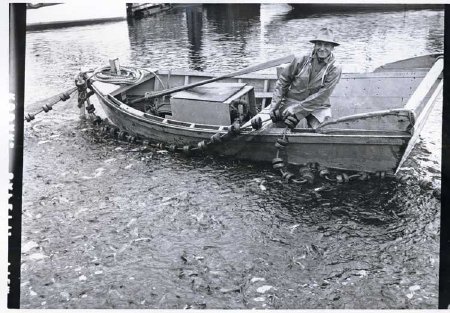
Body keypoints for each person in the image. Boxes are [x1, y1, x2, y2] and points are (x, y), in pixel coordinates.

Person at [260, 27, 342, 129]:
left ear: (332, 47)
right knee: (278, 126)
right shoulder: (301, 59)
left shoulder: (335, 68)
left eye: (326, 45)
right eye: (319, 44)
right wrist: (274, 107)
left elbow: (322, 95)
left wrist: (296, 110)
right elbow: (283, 82)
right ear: (315, 45)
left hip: (318, 105)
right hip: (292, 100)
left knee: (324, 129)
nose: (322, 48)